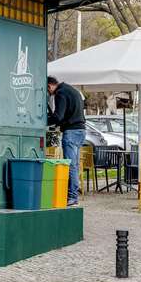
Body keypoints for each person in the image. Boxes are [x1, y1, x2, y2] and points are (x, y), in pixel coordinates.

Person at [47, 76, 86, 205]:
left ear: (49, 86)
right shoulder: (73, 90)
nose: (49, 94)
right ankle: (73, 195)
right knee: (74, 165)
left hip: (71, 132)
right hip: (81, 131)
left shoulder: (60, 93)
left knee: (71, 166)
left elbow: (59, 116)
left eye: (48, 91)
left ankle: (72, 197)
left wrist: (43, 121)